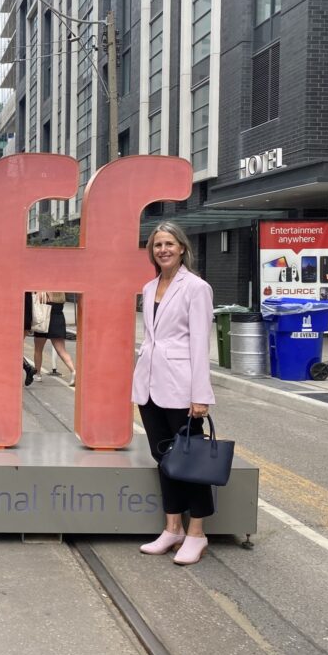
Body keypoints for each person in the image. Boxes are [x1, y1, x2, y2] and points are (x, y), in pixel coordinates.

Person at [131, 221, 216, 566]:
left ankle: (197, 533)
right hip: (150, 386)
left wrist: (200, 394)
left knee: (191, 461)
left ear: (182, 248)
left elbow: (200, 344)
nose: (162, 250)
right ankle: (172, 528)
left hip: (182, 387)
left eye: (168, 244)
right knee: (163, 458)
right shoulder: (150, 287)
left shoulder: (196, 288)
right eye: (157, 245)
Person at [31, 292, 76, 386]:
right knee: (62, 351)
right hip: (58, 320)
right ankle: (73, 371)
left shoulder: (42, 292)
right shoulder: (61, 294)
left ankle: (38, 374)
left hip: (43, 321)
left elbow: (36, 304)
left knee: (38, 349)